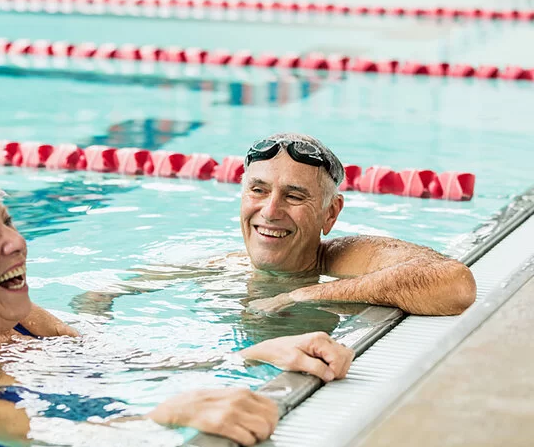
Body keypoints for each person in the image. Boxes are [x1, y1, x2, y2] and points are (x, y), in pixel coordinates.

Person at [0, 169, 355, 447]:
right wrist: (163, 418)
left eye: (8, 223)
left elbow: (124, 358)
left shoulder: (18, 319)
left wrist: (253, 354)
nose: (17, 243)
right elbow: (53, 436)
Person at [73, 133, 476, 319]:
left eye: (295, 196)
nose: (270, 210)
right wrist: (94, 317)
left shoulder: (343, 259)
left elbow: (455, 284)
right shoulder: (221, 265)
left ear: (330, 214)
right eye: (258, 190)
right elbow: (102, 291)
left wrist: (300, 297)